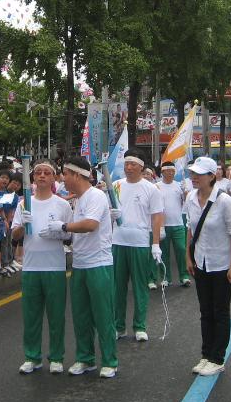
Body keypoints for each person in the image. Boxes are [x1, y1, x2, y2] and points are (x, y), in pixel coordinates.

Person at [59, 157, 119, 378]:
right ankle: (86, 359)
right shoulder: (79, 198)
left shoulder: (96, 196)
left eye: (65, 173)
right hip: (80, 263)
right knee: (81, 314)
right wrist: (63, 232)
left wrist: (64, 226)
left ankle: (110, 361)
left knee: (103, 314)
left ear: (76, 175)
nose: (63, 178)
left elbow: (91, 225)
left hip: (99, 264)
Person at [12, 160, 72, 374]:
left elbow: (69, 234)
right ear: (33, 177)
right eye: (38, 173)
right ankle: (32, 357)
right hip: (31, 267)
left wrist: (60, 232)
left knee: (56, 315)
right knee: (31, 315)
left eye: (47, 173)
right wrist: (21, 225)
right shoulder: (23, 204)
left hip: (54, 267)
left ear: (54, 177)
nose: (42, 176)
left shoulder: (62, 205)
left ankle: (56, 357)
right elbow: (15, 235)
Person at [184, 156, 231, 377]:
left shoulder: (225, 201)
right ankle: (206, 355)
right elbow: (190, 228)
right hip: (201, 262)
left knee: (220, 311)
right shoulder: (190, 198)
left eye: (199, 173)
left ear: (212, 176)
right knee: (205, 311)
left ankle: (217, 358)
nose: (194, 177)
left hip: (221, 264)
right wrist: (188, 258)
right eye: (193, 173)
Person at [112, 148, 165, 341]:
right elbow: (108, 210)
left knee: (140, 286)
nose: (128, 167)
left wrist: (156, 244)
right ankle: (119, 326)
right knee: (117, 287)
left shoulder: (151, 189)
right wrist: (111, 214)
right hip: (117, 242)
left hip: (140, 243)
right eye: (126, 163)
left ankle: (140, 326)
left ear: (141, 167)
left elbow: (157, 217)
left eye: (132, 163)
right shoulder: (115, 186)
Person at [155, 162, 190, 287]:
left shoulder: (179, 186)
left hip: (178, 224)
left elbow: (187, 202)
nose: (170, 173)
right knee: (164, 253)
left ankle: (184, 276)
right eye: (168, 171)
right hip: (162, 225)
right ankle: (166, 278)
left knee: (181, 250)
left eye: (172, 171)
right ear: (162, 172)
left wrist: (185, 192)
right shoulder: (157, 186)